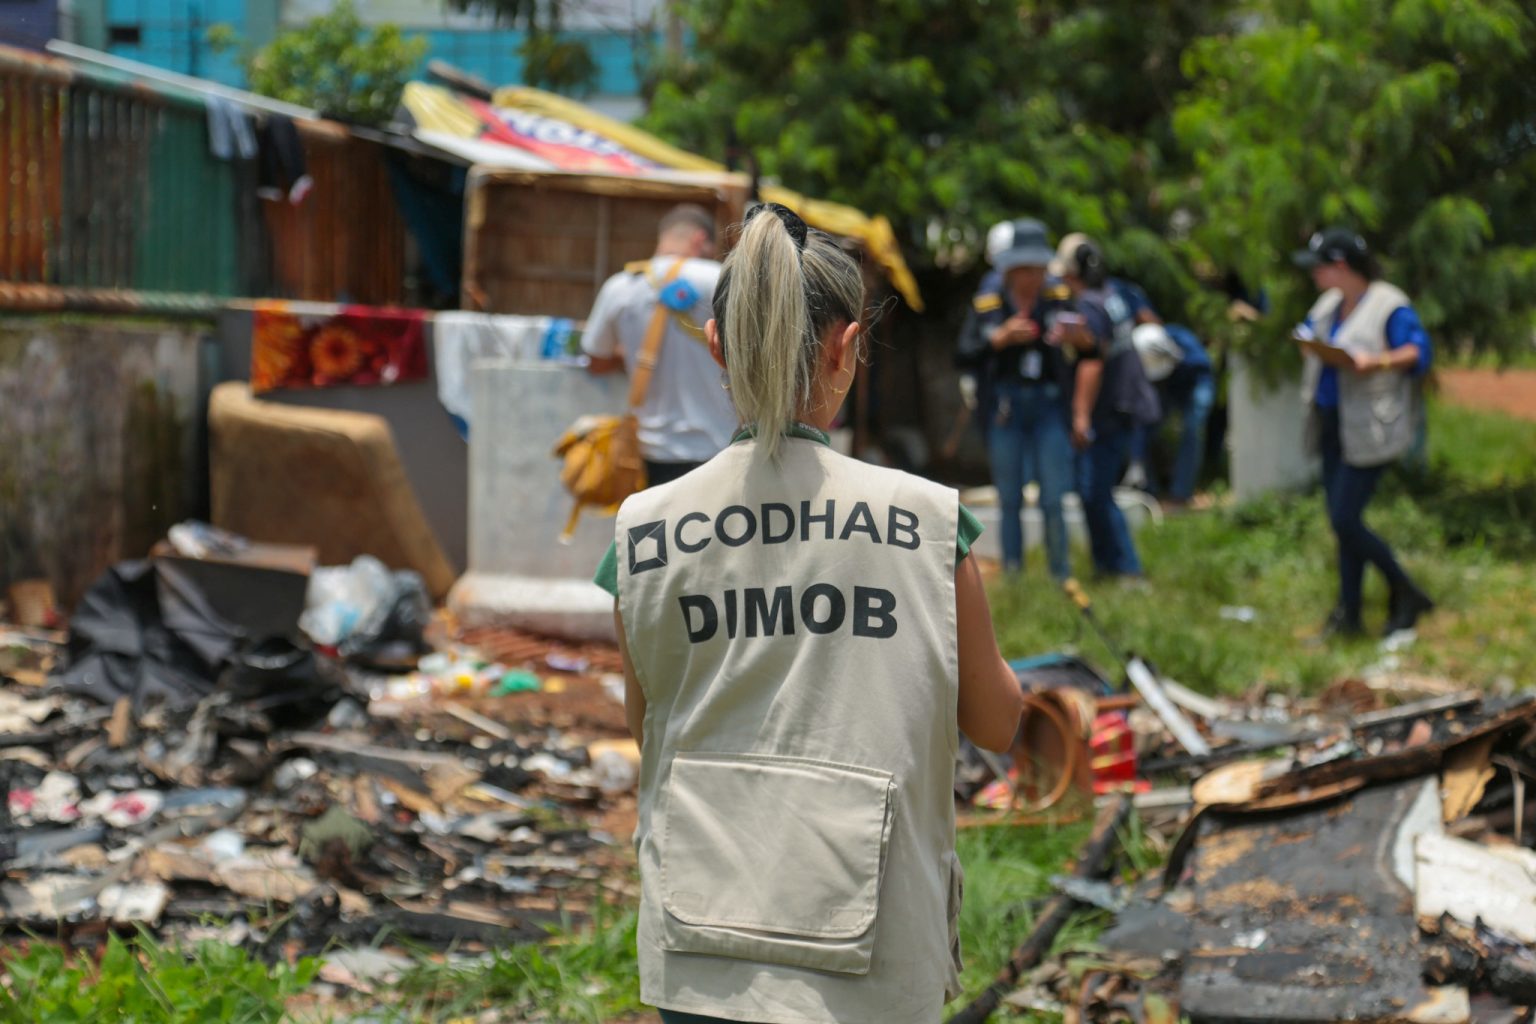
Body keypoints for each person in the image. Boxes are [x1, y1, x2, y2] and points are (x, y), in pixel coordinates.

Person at [592, 203, 1025, 1024]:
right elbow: (997, 723)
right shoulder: (928, 521)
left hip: (702, 937)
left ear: (716, 346)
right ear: (847, 347)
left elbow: (645, 721)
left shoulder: (641, 531)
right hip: (869, 948)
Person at [1292, 228, 1434, 637]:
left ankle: (1404, 589)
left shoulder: (1389, 305)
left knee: (1345, 518)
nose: (1313, 276)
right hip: (1333, 424)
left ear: (1340, 266)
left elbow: (1417, 351)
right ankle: (1349, 614)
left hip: (1372, 429)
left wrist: (1377, 361)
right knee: (1342, 522)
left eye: (1318, 267)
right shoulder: (1328, 304)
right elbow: (1307, 331)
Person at [955, 219, 1081, 580]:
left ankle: (1061, 575)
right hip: (1005, 407)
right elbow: (962, 353)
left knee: (1053, 498)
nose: (1033, 276)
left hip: (1050, 404)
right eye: (1025, 268)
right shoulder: (987, 303)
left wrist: (1075, 338)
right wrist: (1000, 339)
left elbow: (1087, 350)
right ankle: (1014, 574)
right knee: (1008, 497)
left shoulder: (1059, 298)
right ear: (1010, 269)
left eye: (1039, 267)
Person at [583, 204, 738, 485]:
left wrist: (634, 355)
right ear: (700, 240)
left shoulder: (621, 286)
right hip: (718, 447)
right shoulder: (720, 278)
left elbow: (596, 360)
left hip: (651, 450)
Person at [1049, 234, 1161, 579]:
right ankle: (1108, 566)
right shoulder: (1113, 295)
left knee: (1096, 492)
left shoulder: (1089, 306)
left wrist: (1080, 416)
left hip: (1107, 411)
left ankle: (1125, 569)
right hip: (1127, 403)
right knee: (1094, 491)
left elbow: (1091, 362)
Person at [1126, 322, 1216, 505]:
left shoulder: (1183, 340)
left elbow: (1204, 367)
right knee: (1145, 427)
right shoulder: (1139, 355)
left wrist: (1179, 359)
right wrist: (1135, 459)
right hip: (1166, 388)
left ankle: (1181, 492)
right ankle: (1148, 492)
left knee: (1192, 427)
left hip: (1195, 384)